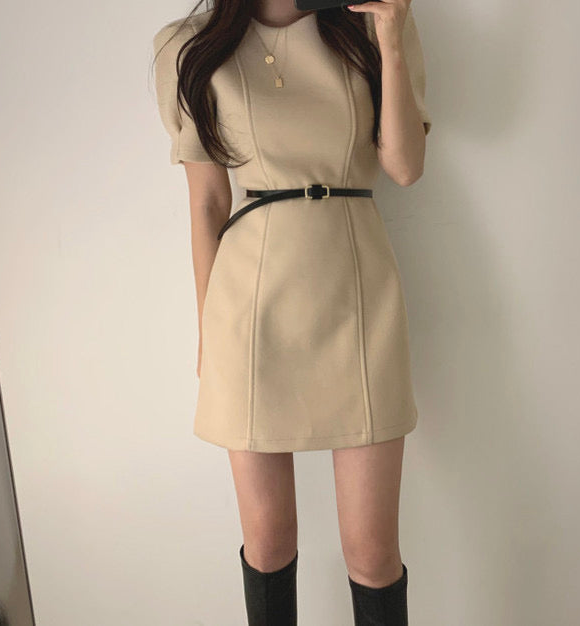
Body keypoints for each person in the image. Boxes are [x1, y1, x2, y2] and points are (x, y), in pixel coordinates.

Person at [151, 0, 431, 622]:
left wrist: (390, 37)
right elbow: (207, 204)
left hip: (360, 298)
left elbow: (406, 167)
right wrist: (208, 337)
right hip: (249, 309)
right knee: (269, 541)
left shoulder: (373, 26)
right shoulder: (188, 47)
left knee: (372, 552)